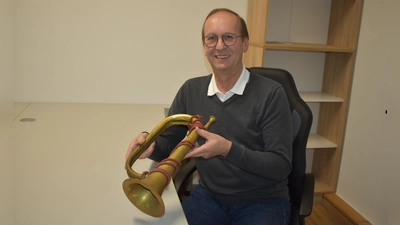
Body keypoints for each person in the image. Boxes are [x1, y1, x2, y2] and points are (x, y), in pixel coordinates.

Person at [126, 8, 292, 225]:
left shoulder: (271, 93)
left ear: (245, 44)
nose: (220, 46)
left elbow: (280, 166)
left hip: (263, 200)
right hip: (210, 196)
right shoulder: (190, 89)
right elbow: (171, 143)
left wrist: (227, 149)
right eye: (211, 38)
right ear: (204, 46)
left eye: (229, 37)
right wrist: (152, 147)